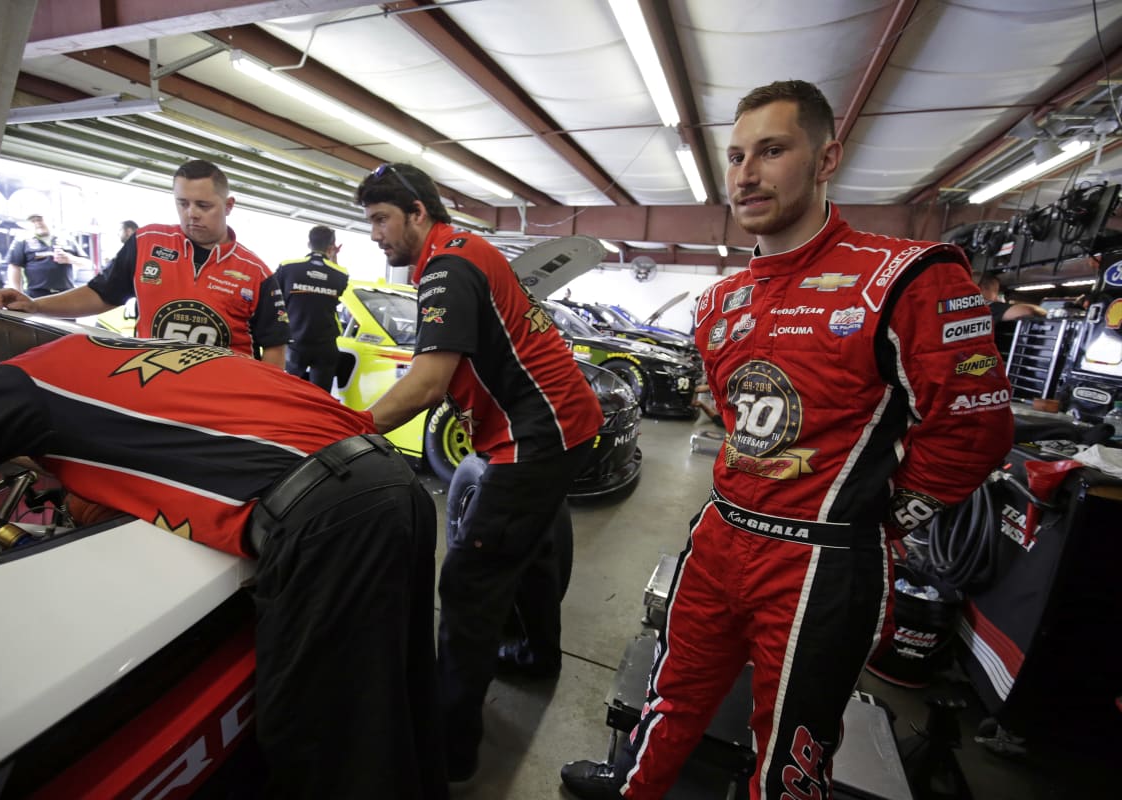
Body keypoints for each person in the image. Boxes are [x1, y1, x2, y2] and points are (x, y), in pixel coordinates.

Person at [560, 79, 1015, 799]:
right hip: (720, 533)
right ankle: (632, 786)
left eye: (771, 151)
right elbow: (732, 414)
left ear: (826, 158)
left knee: (790, 753)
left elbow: (974, 430)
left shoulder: (906, 276)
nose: (746, 173)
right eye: (736, 156)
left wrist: (882, 519)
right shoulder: (719, 300)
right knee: (671, 689)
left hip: (823, 559)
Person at [0, 333, 446, 800]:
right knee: (400, 694)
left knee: (322, 734)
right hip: (389, 479)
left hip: (328, 516)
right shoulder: (119, 354)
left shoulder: (16, 383)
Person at [354, 162, 604, 783]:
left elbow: (428, 382)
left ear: (417, 212)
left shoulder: (447, 265)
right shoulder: (469, 250)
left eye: (381, 219)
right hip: (566, 425)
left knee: (470, 582)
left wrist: (348, 430)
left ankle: (450, 751)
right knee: (533, 549)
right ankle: (536, 655)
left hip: (534, 436)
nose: (375, 234)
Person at [0, 160, 289, 368]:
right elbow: (101, 293)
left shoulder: (255, 271)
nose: (191, 214)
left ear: (229, 205)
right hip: (151, 381)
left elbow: (275, 348)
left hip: (224, 395)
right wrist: (35, 306)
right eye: (182, 203)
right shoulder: (147, 242)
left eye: (203, 205)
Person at [275, 224, 350, 390]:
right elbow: (338, 290)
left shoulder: (287, 267)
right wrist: (333, 258)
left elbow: (274, 298)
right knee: (321, 396)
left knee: (289, 392)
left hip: (295, 341)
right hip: (326, 344)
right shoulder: (341, 274)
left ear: (309, 243)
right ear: (331, 247)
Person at [5, 213, 92, 296]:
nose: (37, 223)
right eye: (33, 221)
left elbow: (87, 263)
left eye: (40, 219)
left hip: (66, 292)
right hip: (36, 294)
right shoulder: (22, 241)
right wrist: (17, 293)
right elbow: (14, 267)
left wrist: (70, 259)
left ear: (50, 220)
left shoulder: (66, 239)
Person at [979, 273, 1046, 324]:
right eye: (995, 291)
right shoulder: (988, 307)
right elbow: (1029, 310)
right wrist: (1043, 310)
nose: (996, 297)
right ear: (981, 289)